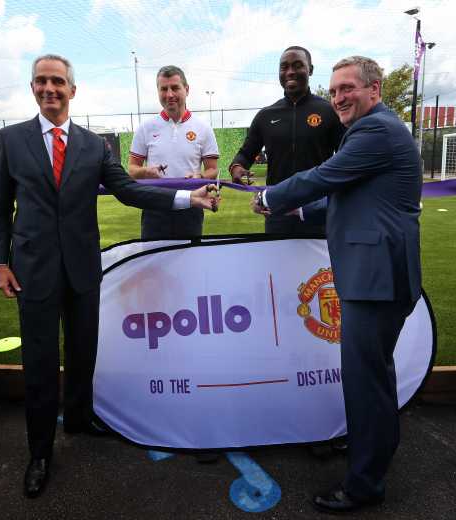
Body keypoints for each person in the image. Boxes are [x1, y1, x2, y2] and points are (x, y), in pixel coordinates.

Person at [0, 54, 219, 499]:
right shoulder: (9, 139)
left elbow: (129, 191)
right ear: (33, 88)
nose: (49, 88)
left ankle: (78, 417)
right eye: (41, 81)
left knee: (82, 351)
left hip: (82, 269)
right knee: (37, 362)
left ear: (72, 90)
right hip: (32, 272)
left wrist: (190, 200)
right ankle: (40, 452)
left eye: (57, 82)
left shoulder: (94, 147)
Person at [251, 56, 422, 513]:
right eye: (334, 90)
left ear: (375, 90)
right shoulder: (373, 130)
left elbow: (324, 177)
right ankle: (370, 452)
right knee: (373, 379)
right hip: (376, 276)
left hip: (376, 279)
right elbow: (345, 197)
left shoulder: (375, 131)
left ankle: (365, 485)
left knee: (367, 383)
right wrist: (300, 210)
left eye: (348, 88)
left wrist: (271, 196)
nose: (339, 97)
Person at [230, 45, 345, 235]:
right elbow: (245, 154)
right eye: (284, 67)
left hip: (318, 213)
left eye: (297, 65)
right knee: (276, 265)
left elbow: (345, 158)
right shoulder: (265, 116)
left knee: (320, 267)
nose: (290, 72)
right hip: (277, 211)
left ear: (311, 69)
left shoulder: (329, 111)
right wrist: (237, 168)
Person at [128, 65, 219, 239]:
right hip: (154, 208)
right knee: (153, 263)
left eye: (175, 88)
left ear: (186, 89)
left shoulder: (203, 128)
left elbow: (213, 170)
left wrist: (200, 177)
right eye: (164, 89)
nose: (169, 94)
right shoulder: (145, 128)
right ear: (158, 92)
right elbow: (132, 170)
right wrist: (146, 171)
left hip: (191, 206)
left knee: (189, 263)